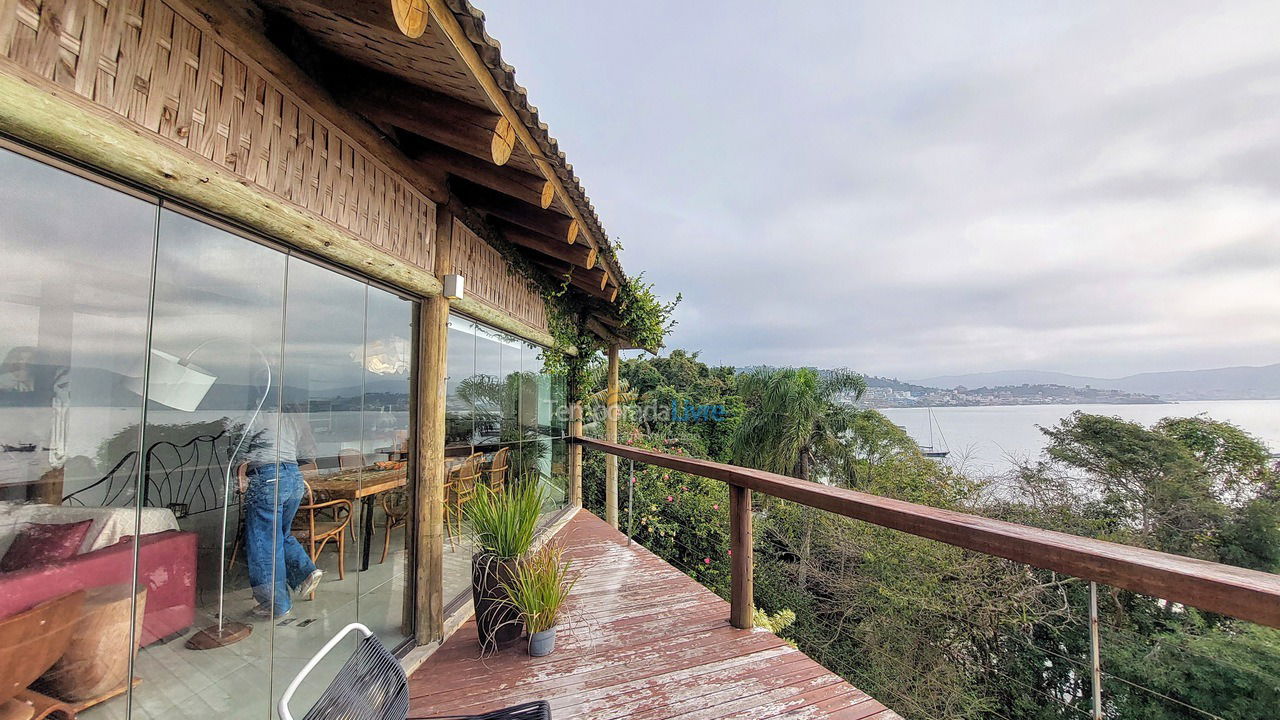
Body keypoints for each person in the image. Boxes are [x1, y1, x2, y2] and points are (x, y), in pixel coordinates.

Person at [238, 405, 323, 618]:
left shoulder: (258, 412)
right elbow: (308, 453)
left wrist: (238, 469)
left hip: (268, 476)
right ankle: (305, 572)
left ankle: (275, 604)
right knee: (280, 534)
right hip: (294, 477)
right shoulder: (291, 417)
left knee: (263, 542)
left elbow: (239, 450)